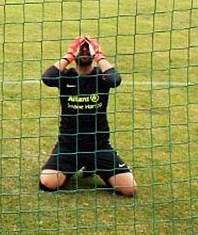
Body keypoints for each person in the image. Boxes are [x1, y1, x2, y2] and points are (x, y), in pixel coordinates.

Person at [39, 36, 136, 197]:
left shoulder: (102, 77)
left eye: (87, 49)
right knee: (48, 183)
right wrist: (68, 55)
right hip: (69, 146)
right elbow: (47, 78)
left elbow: (115, 80)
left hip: (99, 146)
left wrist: (99, 55)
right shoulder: (66, 76)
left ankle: (95, 165)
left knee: (128, 189)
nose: (84, 51)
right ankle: (69, 167)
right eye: (80, 48)